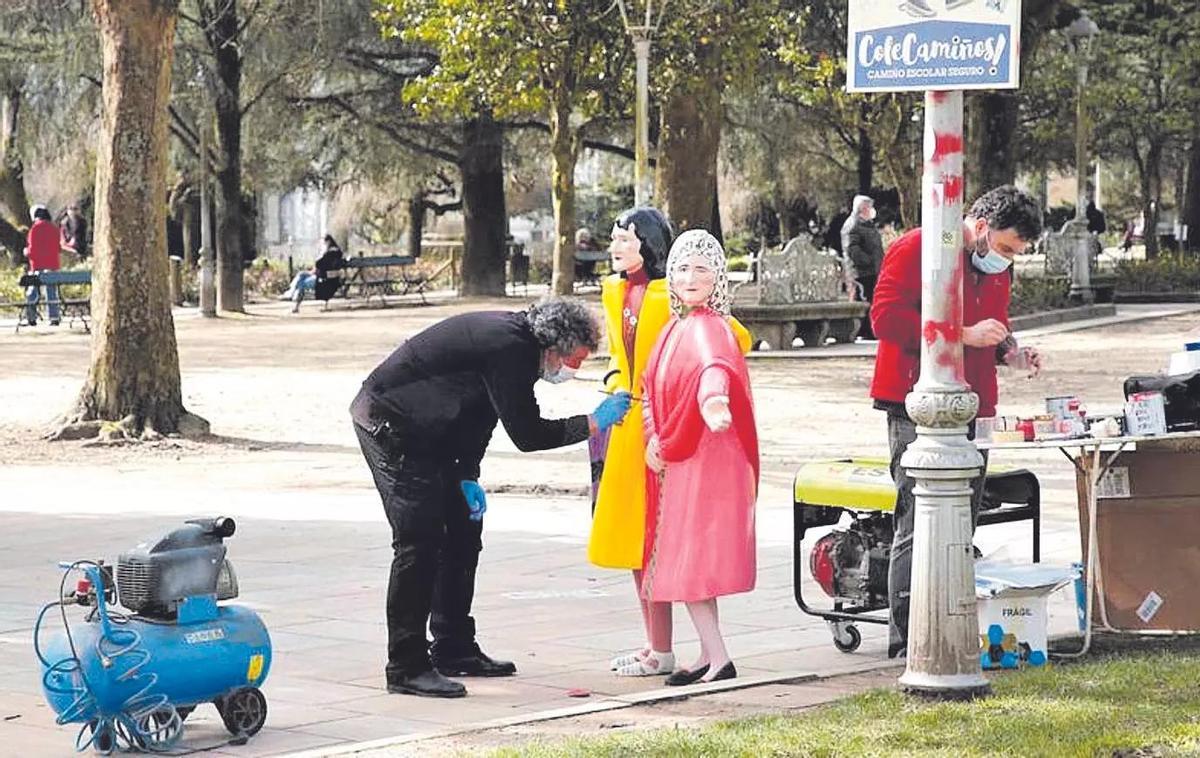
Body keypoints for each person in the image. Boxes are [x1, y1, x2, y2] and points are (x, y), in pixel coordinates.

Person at [350, 297, 633, 698]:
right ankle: (406, 665)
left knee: (464, 530)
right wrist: (592, 423)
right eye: (576, 360)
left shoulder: (519, 345)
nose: (575, 369)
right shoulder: (510, 347)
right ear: (554, 347)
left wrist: (466, 474)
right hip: (391, 424)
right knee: (420, 540)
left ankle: (453, 646)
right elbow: (528, 434)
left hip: (433, 430)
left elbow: (482, 413)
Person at [869, 185, 1044, 658]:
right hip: (914, 399)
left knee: (964, 517)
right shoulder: (918, 248)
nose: (1007, 260)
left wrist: (1013, 353)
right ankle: (906, 637)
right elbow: (884, 318)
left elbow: (996, 324)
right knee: (915, 516)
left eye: (1017, 254)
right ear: (982, 226)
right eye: (1006, 248)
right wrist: (960, 334)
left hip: (976, 404)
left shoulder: (996, 269)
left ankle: (949, 620)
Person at [639, 229, 758, 686]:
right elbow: (651, 386)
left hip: (705, 457)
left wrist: (713, 404)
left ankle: (718, 657)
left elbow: (715, 370)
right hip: (678, 454)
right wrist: (655, 436)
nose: (690, 277)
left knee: (691, 558)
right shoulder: (674, 327)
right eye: (682, 268)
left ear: (718, 278)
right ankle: (713, 654)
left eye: (701, 269)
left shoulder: (708, 328)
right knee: (689, 558)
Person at [840, 194, 885, 338]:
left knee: (871, 300)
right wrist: (868, 261)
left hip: (872, 270)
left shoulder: (867, 224)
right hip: (860, 273)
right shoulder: (853, 225)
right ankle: (863, 330)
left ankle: (869, 330)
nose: (871, 210)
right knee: (864, 299)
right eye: (869, 207)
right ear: (862, 208)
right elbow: (852, 250)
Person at [23, 205, 63, 327]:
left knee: (33, 292)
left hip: (38, 266)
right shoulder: (54, 228)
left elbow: (32, 251)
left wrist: (26, 252)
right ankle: (54, 316)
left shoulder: (35, 229)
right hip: (52, 265)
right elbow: (58, 248)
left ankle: (31, 316)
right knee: (51, 291)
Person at [284, 235, 345, 312]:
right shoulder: (333, 252)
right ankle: (291, 292)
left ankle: (294, 302)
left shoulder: (331, 253)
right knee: (301, 275)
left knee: (302, 284)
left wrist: (315, 270)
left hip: (324, 280)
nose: (322, 245)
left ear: (328, 242)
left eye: (323, 243)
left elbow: (319, 264)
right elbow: (319, 266)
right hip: (321, 276)